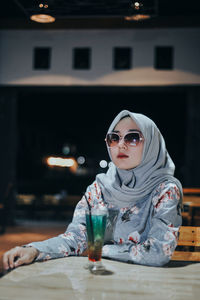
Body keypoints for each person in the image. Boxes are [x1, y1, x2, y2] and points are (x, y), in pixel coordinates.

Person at [3, 109, 182, 269]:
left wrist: (103, 250)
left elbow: (158, 252)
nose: (121, 144)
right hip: (101, 282)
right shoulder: (99, 189)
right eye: (114, 137)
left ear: (152, 144)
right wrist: (34, 250)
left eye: (133, 137)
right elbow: (75, 239)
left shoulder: (165, 190)